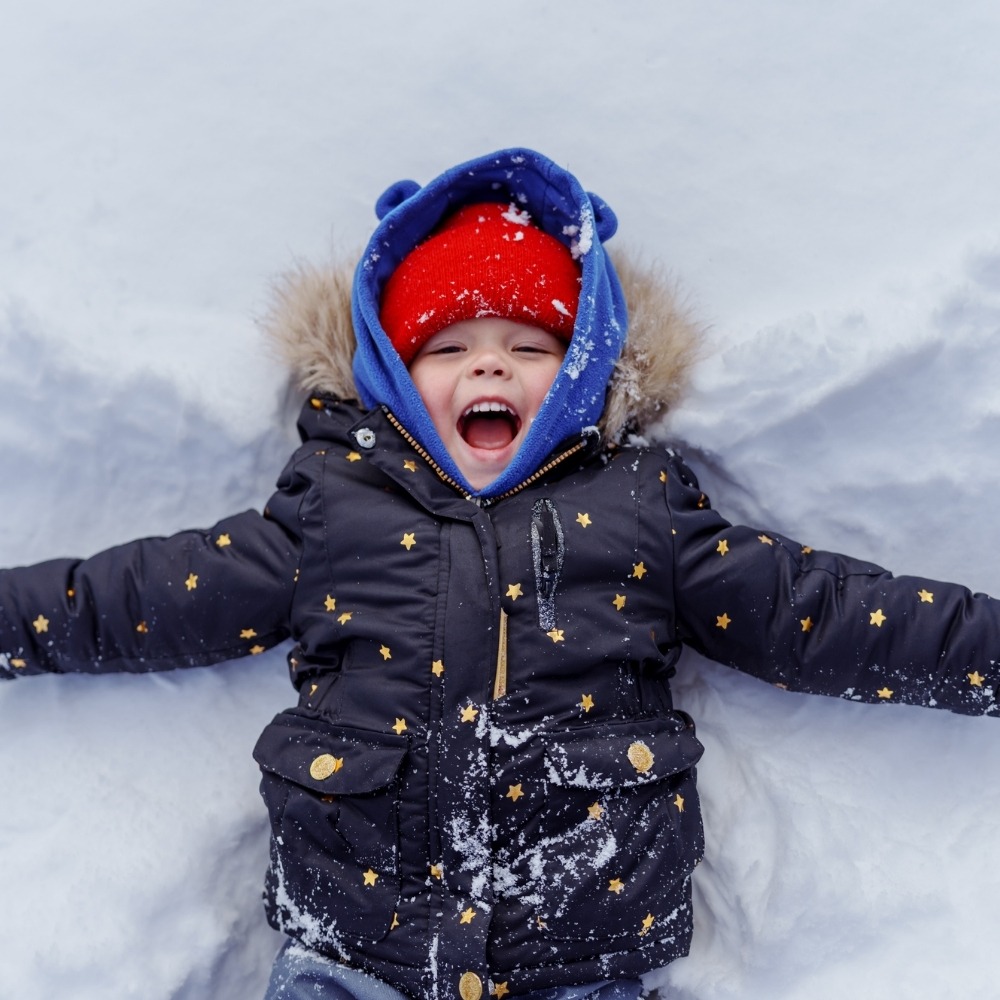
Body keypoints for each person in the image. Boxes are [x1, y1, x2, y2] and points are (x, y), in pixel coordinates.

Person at [1, 148, 998, 1000]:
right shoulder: (331, 507)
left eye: (528, 345)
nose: (488, 368)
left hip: (580, 944)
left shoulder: (639, 506)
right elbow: (148, 594)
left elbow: (813, 611)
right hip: (357, 947)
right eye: (448, 347)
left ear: (579, 373)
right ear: (393, 375)